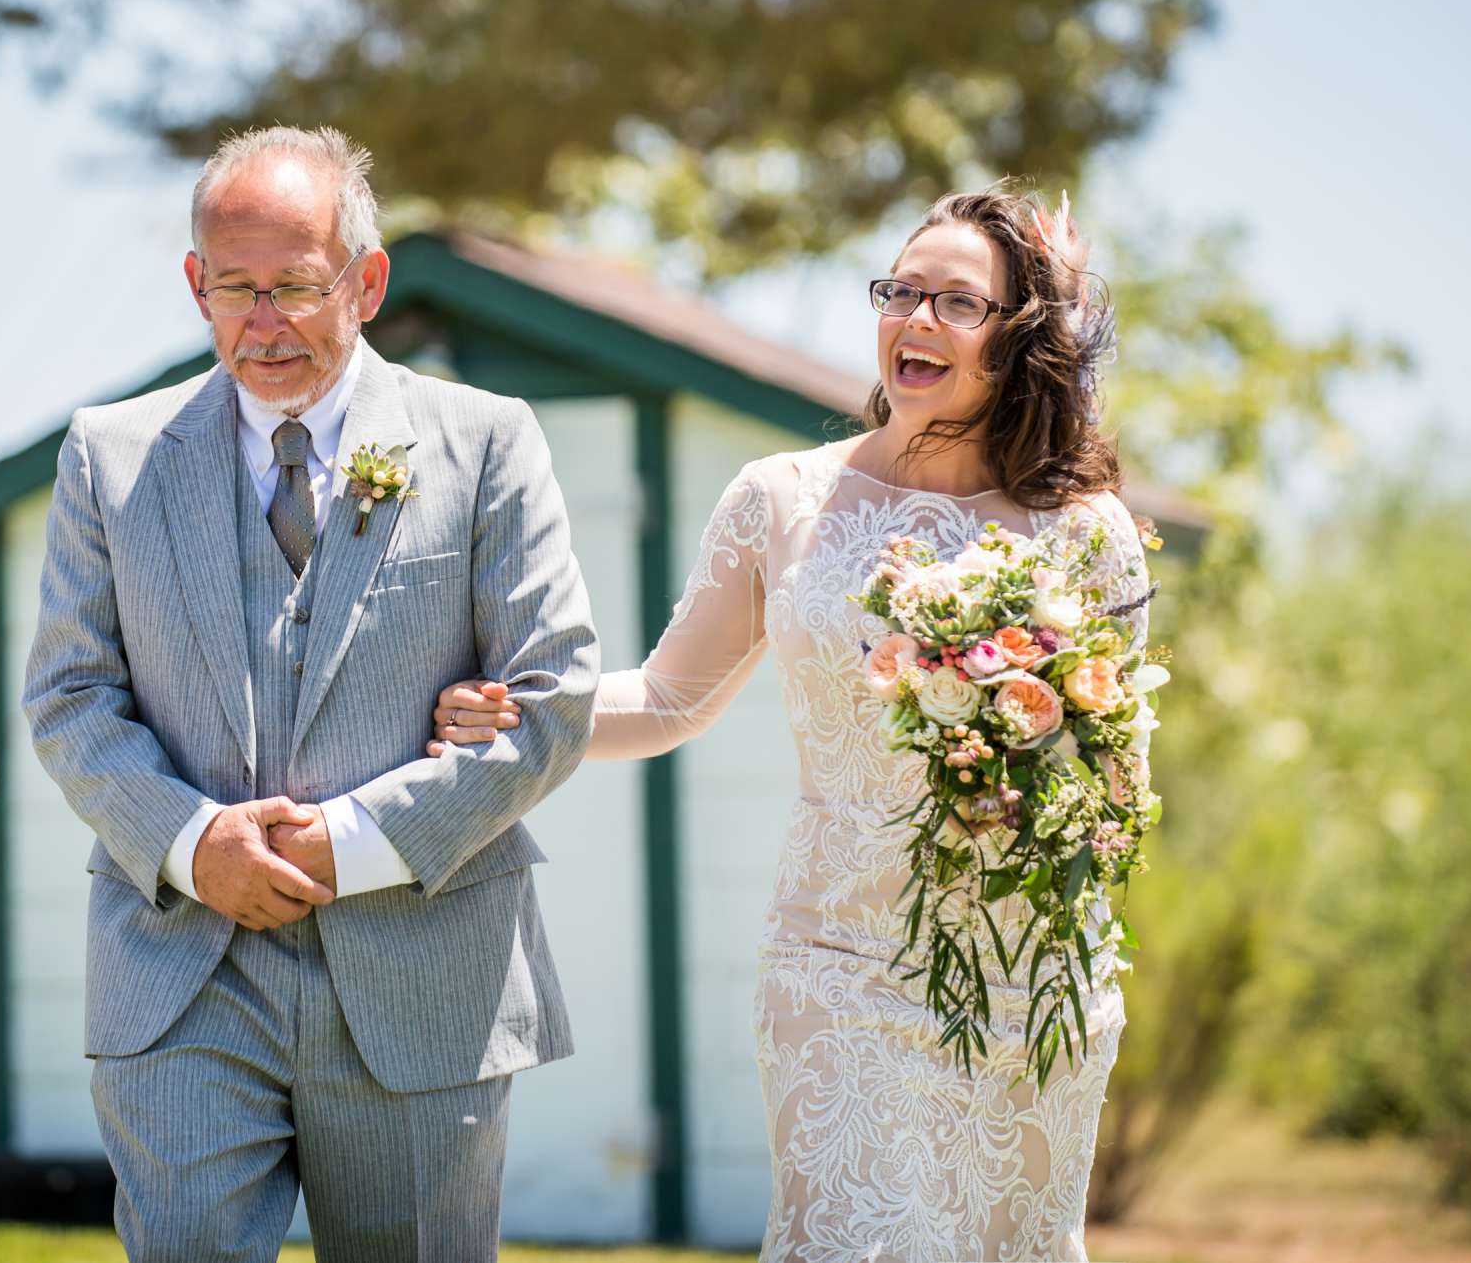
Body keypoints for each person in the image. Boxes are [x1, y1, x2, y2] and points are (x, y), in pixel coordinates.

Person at [431, 185, 1154, 1261]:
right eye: (900, 291)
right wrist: (525, 716)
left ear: (1021, 339)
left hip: (1030, 978)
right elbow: (672, 699)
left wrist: (1023, 777)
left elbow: (1119, 786)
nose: (915, 319)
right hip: (841, 962)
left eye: (957, 302)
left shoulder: (1086, 533)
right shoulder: (783, 499)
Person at [23, 125, 599, 1262]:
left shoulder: (486, 444)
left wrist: (347, 845)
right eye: (235, 288)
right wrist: (195, 844)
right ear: (196, 284)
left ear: (366, 281)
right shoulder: (109, 456)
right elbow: (71, 695)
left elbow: (551, 696)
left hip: (425, 972)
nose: (264, 321)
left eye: (295, 286)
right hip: (181, 967)